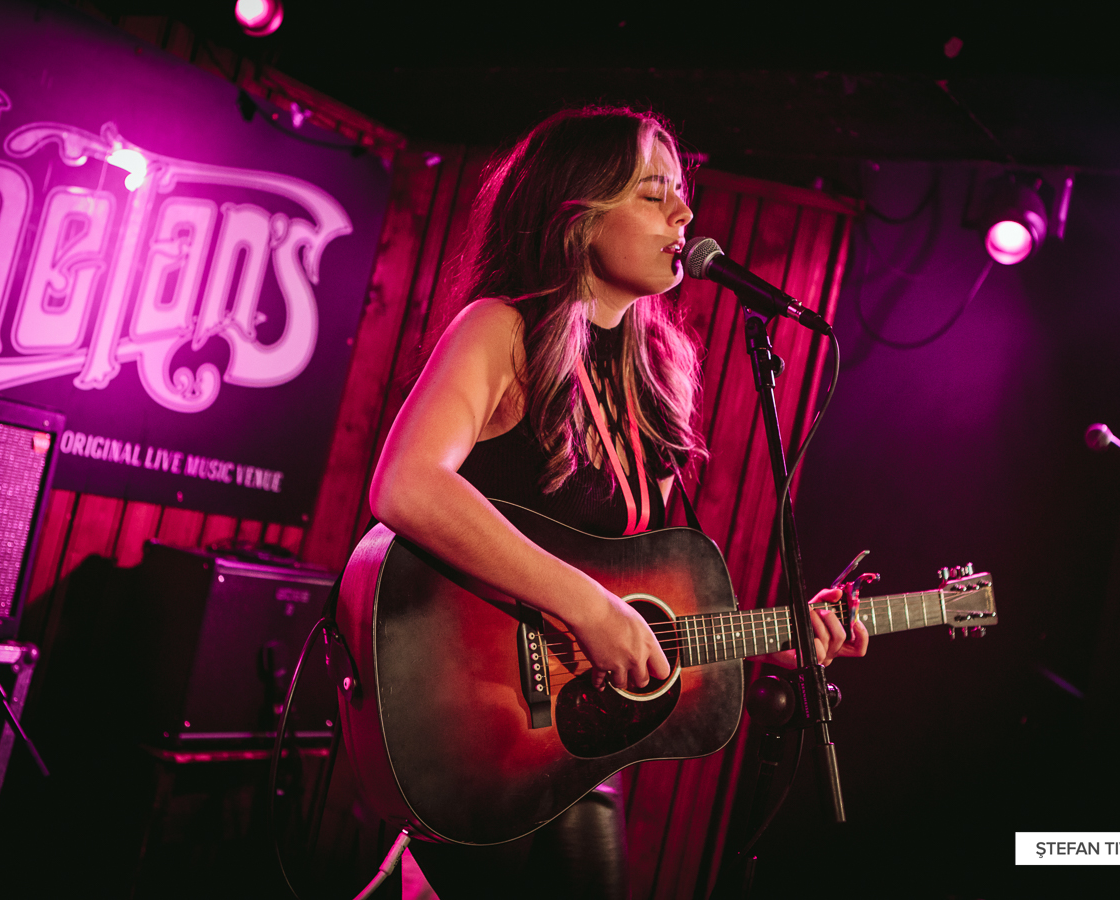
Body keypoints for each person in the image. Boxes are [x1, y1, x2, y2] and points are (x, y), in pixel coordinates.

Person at [368, 106, 869, 899]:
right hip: (472, 717)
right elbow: (406, 484)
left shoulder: (655, 377)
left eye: (681, 195)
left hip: (580, 744)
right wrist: (591, 610)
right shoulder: (499, 329)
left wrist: (775, 639)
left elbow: (653, 596)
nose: (684, 214)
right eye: (652, 194)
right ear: (577, 211)